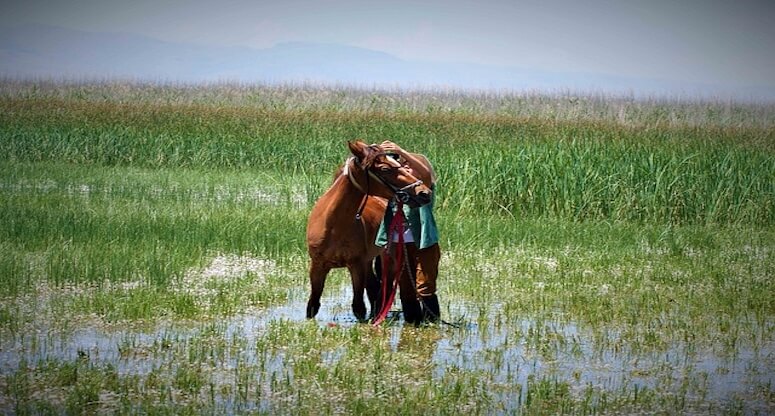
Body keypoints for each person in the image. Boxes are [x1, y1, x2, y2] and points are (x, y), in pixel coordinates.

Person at [375, 140, 441, 324]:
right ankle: (412, 324)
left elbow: (426, 172)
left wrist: (401, 151)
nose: (405, 167)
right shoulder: (393, 187)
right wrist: (378, 154)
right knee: (406, 288)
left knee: (425, 286)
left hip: (422, 243)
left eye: (409, 165)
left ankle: (431, 323)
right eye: (402, 165)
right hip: (397, 244)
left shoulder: (423, 187)